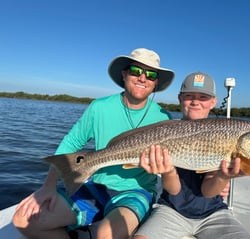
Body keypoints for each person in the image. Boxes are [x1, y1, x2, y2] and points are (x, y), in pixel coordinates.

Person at [12, 48, 175, 239]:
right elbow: (71, 143)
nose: (142, 78)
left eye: (150, 74)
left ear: (155, 82)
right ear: (124, 74)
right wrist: (48, 186)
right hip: (96, 187)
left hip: (136, 192)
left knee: (106, 234)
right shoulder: (99, 107)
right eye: (136, 71)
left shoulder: (165, 117)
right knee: (23, 219)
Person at [135, 72, 250, 239]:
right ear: (180, 98)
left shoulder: (224, 135)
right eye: (189, 96)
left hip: (214, 214)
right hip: (171, 209)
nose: (195, 101)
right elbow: (174, 190)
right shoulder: (167, 132)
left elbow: (208, 192)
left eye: (203, 97)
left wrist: (223, 177)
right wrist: (167, 171)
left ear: (213, 102)